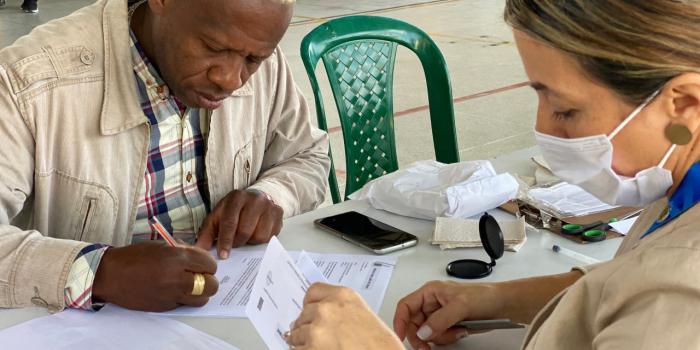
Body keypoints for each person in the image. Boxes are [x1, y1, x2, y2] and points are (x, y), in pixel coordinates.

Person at [286, 1, 700, 349]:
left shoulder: (683, 291)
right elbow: (621, 287)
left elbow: (655, 294)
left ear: (683, 104)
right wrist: (494, 298)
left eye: (566, 109)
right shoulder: (678, 188)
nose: (545, 131)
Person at [0, 0, 330, 313]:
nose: (230, 79)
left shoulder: (254, 46)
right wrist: (99, 273)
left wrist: (269, 195)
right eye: (213, 48)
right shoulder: (28, 81)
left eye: (253, 60)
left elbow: (307, 154)